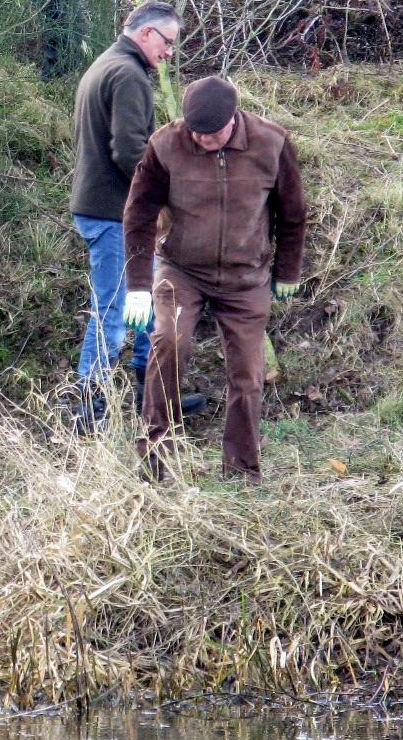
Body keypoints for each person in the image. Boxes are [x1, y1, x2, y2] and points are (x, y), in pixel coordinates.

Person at [122, 78, 307, 483]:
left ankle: (242, 472)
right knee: (169, 344)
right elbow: (138, 216)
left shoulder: (271, 143)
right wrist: (137, 285)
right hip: (181, 270)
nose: (204, 140)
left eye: (214, 133)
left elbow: (292, 212)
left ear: (234, 119)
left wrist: (287, 270)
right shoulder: (165, 145)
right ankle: (154, 461)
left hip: (246, 277)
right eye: (197, 133)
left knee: (247, 374)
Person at [69, 0, 203, 432]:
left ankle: (155, 394)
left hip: (109, 211)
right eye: (167, 42)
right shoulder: (127, 75)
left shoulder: (106, 65)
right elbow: (129, 151)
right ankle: (88, 412)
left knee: (141, 302)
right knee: (111, 311)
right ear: (146, 34)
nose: (169, 53)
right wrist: (160, 199)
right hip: (113, 215)